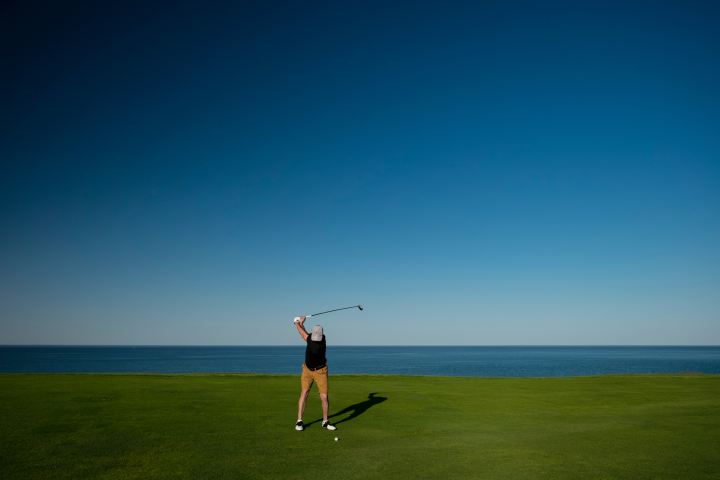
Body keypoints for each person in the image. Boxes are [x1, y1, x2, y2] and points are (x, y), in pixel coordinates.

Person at [294, 316, 336, 431]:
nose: (317, 338)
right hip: (307, 370)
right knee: (304, 392)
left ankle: (325, 421)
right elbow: (305, 334)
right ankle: (299, 421)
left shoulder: (317, 342)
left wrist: (296, 322)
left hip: (321, 372)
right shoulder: (320, 338)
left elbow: (303, 334)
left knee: (324, 396)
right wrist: (302, 323)